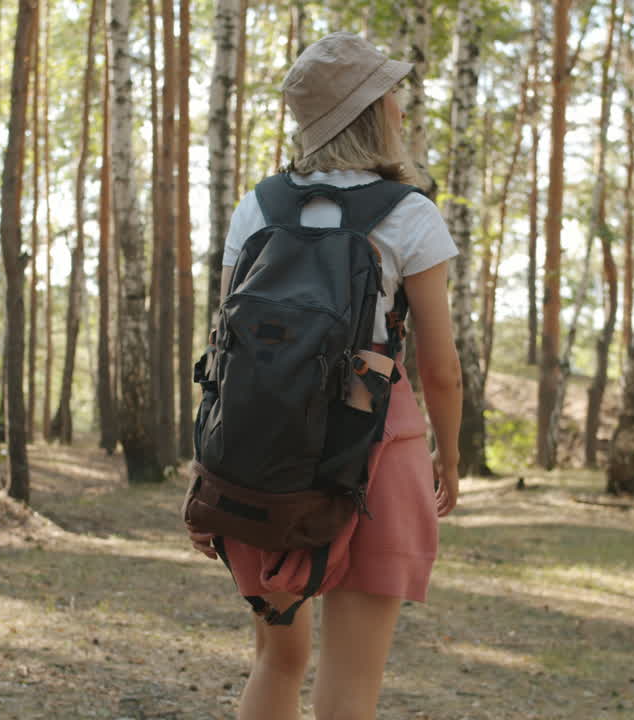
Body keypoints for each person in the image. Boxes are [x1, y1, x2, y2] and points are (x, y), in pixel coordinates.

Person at [187, 31, 464, 720]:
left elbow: (225, 347)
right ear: (368, 112)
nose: (400, 105)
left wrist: (207, 464)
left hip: (265, 460)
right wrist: (450, 457)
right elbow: (440, 368)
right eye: (390, 93)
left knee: (276, 662)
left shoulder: (258, 207)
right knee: (350, 692)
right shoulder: (409, 214)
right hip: (378, 455)